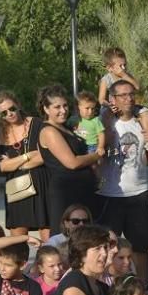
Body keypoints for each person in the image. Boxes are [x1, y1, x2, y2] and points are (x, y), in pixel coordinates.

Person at [98, 79, 148, 283]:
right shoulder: (104, 120)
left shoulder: (141, 121)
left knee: (141, 247)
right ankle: (110, 290)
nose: (129, 98)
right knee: (108, 249)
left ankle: (142, 288)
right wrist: (106, 120)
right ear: (113, 99)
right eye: (123, 95)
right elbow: (98, 152)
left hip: (138, 193)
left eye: (131, 94)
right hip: (109, 194)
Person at [36, 86, 102, 237]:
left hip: (83, 190)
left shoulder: (67, 128)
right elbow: (72, 162)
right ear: (46, 109)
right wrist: (97, 155)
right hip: (66, 193)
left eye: (65, 105)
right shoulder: (49, 131)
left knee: (86, 238)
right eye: (57, 107)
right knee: (65, 239)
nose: (63, 110)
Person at [0, 91, 49, 238]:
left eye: (12, 108)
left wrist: (16, 163)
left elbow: (44, 156)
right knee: (17, 245)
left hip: (41, 187)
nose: (9, 114)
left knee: (49, 242)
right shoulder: (1, 133)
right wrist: (27, 156)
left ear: (18, 104)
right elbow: (3, 167)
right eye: (4, 113)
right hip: (15, 188)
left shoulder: (37, 124)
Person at [72, 90, 105, 155]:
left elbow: (101, 134)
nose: (90, 111)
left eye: (92, 109)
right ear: (78, 108)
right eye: (87, 108)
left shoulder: (96, 120)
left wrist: (101, 147)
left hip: (92, 146)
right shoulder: (74, 120)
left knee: (92, 163)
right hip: (78, 145)